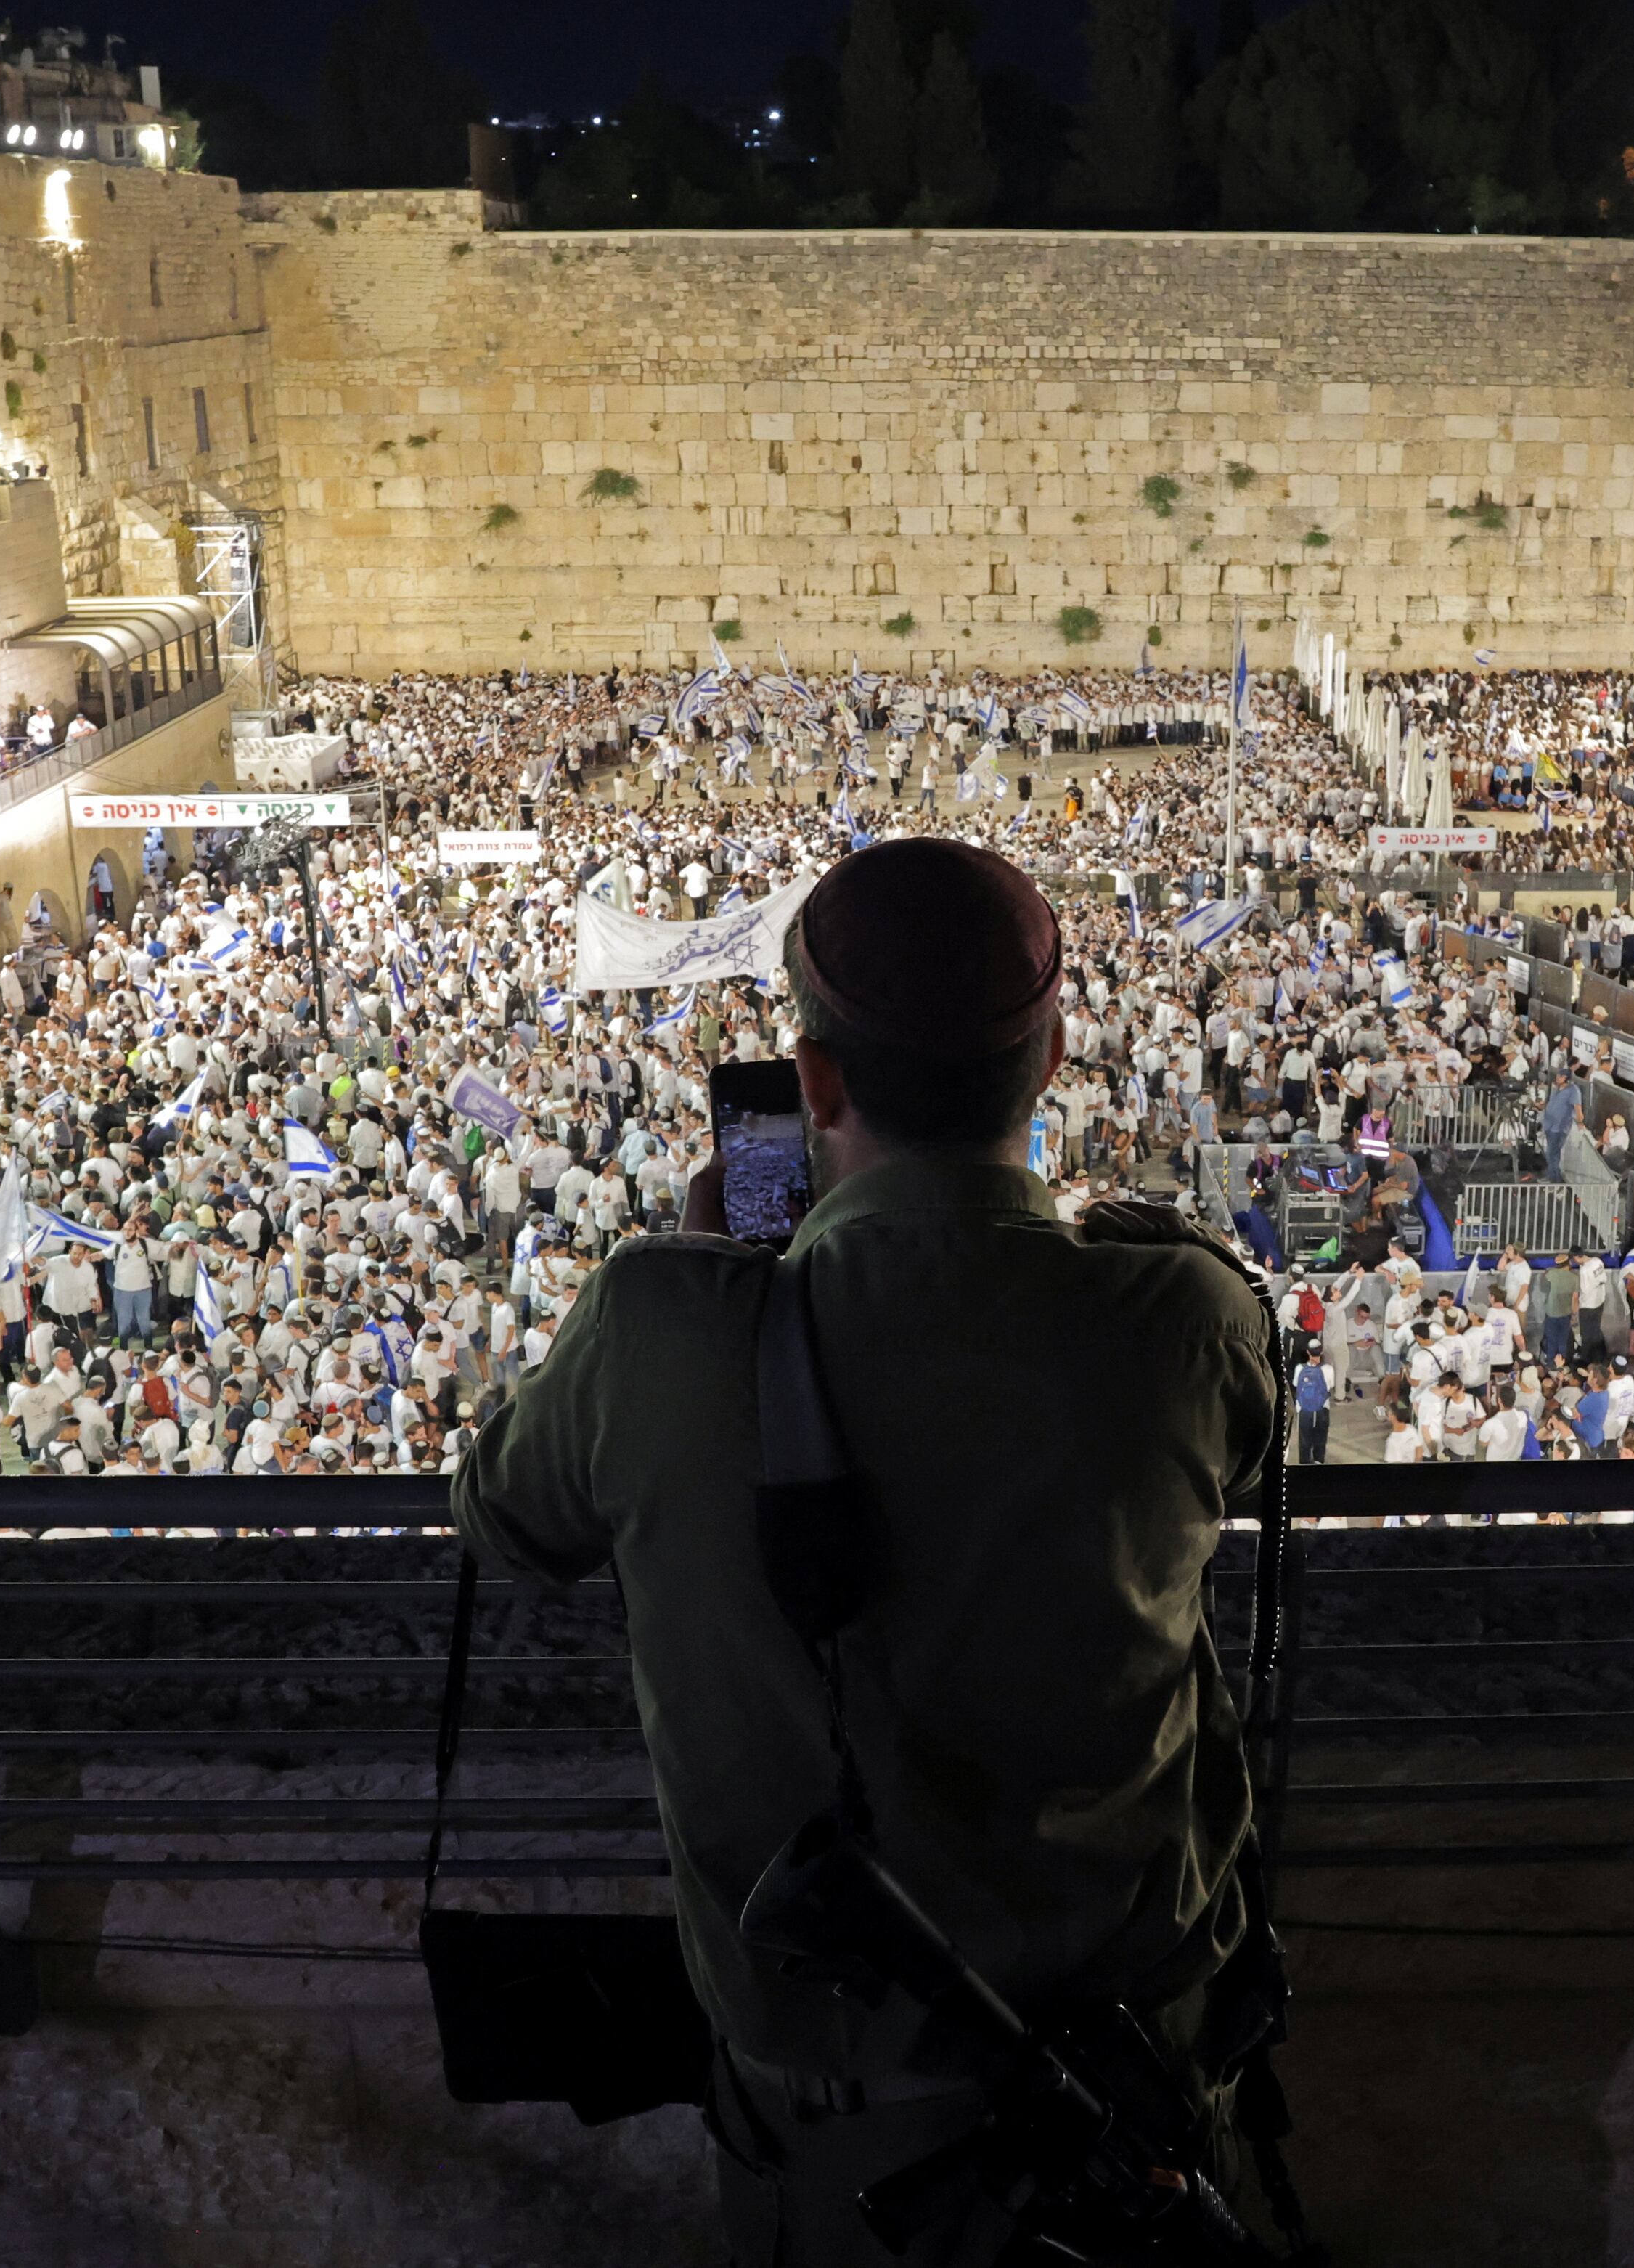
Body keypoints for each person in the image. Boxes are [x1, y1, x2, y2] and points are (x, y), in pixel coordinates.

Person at [455, 837, 1290, 2267]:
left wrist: (705, 1284)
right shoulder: (1181, 1316)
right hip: (1140, 2092)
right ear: (1053, 1058)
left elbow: (506, 1513)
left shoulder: (660, 1327)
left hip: (830, 2126)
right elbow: (1233, 1442)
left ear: (816, 1084)